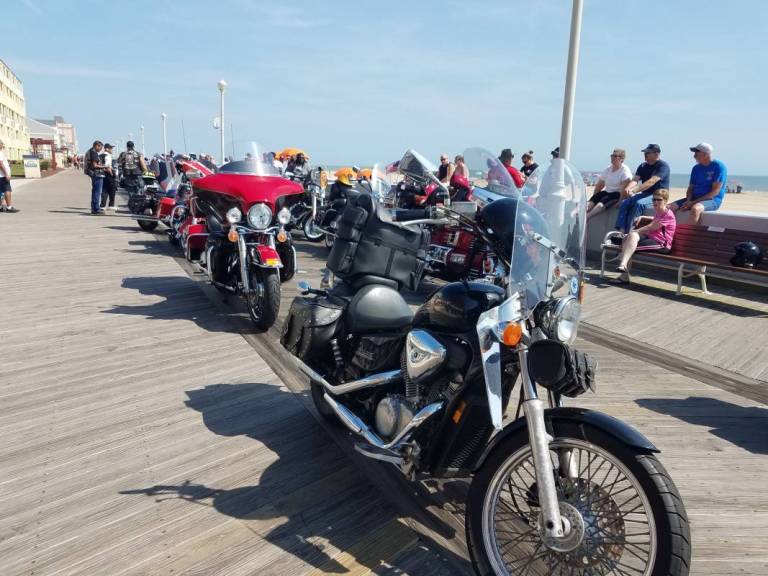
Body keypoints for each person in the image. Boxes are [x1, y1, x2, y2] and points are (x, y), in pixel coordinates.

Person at [612, 188, 676, 284]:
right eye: (654, 199)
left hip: (662, 244)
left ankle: (623, 271)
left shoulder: (668, 214)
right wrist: (642, 217)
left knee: (628, 245)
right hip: (651, 239)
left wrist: (634, 231)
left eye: (659, 200)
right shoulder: (660, 211)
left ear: (665, 201)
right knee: (630, 239)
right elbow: (654, 219)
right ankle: (623, 268)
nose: (655, 202)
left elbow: (652, 227)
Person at [613, 144, 670, 233]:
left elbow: (651, 181)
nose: (645, 154)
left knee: (639, 204)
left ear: (656, 154)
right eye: (645, 153)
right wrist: (628, 189)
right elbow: (635, 180)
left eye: (648, 153)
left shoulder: (663, 166)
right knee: (625, 203)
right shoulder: (643, 166)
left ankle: (630, 232)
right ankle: (621, 231)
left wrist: (634, 190)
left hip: (658, 196)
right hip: (645, 194)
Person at [669, 142, 727, 224]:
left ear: (705, 154)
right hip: (694, 199)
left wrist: (692, 203)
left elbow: (714, 192)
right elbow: (691, 188)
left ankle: (689, 236)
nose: (694, 156)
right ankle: (668, 234)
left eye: (696, 154)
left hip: (713, 200)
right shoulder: (696, 168)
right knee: (669, 208)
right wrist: (688, 200)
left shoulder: (719, 166)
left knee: (695, 209)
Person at [586, 149, 632, 220]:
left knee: (601, 202)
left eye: (615, 156)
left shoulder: (625, 171)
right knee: (592, 201)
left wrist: (620, 202)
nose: (612, 157)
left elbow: (624, 189)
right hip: (607, 192)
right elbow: (599, 185)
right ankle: (577, 214)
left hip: (617, 194)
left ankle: (587, 217)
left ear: (622, 159)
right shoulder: (608, 169)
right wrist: (594, 197)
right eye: (612, 155)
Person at [85, 140, 106, 214]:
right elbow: (94, 165)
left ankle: (94, 208)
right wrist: (104, 166)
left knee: (95, 191)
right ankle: (96, 209)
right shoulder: (93, 152)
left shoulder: (90, 151)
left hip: (93, 174)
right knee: (97, 192)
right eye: (100, 147)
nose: (101, 149)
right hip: (97, 174)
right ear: (97, 146)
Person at [0, 140, 18, 213]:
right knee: (7, 190)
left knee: (0, 191)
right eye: (2, 143)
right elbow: (0, 164)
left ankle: (1, 207)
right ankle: (9, 207)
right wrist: (6, 174)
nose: (3, 145)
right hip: (2, 176)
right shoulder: (0, 153)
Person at [100, 143, 118, 211]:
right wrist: (112, 175)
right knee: (112, 189)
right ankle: (111, 205)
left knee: (104, 190)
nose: (112, 150)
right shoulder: (108, 156)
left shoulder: (101, 155)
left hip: (102, 174)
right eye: (110, 148)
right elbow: (108, 167)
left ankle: (102, 205)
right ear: (106, 149)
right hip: (108, 175)